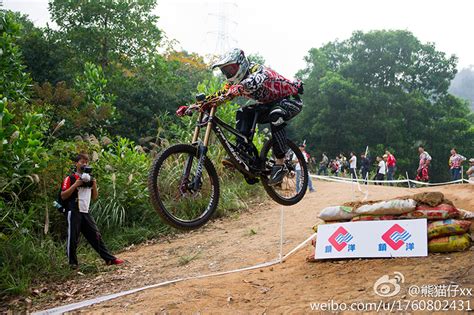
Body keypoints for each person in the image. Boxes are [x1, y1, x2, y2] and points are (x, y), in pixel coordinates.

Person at [178, 48, 304, 186]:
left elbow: (259, 77)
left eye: (231, 69)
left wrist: (240, 87)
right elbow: (219, 95)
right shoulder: (234, 84)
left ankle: (280, 164)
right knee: (243, 112)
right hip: (268, 104)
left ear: (241, 63)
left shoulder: (257, 69)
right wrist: (194, 106)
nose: (229, 73)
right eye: (225, 71)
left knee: (276, 114)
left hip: (290, 100)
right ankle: (244, 153)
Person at [61, 153, 124, 268]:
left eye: (86, 162)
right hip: (73, 211)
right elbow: (63, 196)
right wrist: (75, 185)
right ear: (76, 163)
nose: (84, 164)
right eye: (82, 162)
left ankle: (109, 259)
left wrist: (93, 184)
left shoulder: (89, 178)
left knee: (96, 236)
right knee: (73, 238)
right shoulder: (70, 178)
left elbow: (94, 197)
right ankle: (72, 264)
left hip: (85, 211)